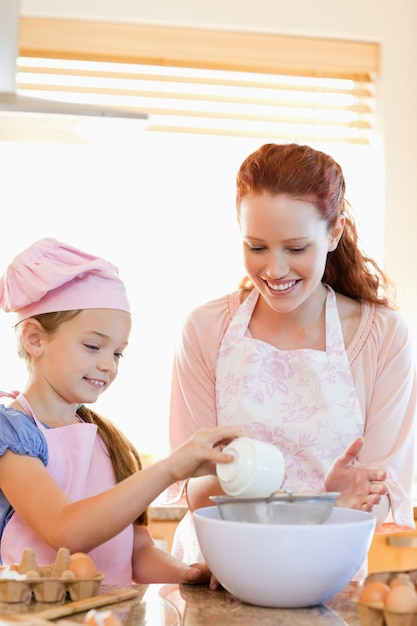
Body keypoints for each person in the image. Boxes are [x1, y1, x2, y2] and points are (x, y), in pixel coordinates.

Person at [169, 142, 417, 563]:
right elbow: (192, 487)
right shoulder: (205, 329)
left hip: (323, 568)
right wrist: (323, 500)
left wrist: (295, 496)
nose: (275, 270)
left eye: (296, 248)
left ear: (334, 232)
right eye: (257, 247)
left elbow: (377, 491)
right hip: (218, 567)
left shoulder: (382, 336)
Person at [0, 237, 247, 585]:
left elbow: (138, 553)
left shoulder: (108, 442)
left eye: (118, 353)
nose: (108, 365)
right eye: (92, 346)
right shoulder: (12, 435)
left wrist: (189, 573)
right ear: (35, 339)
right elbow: (65, 530)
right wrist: (168, 470)